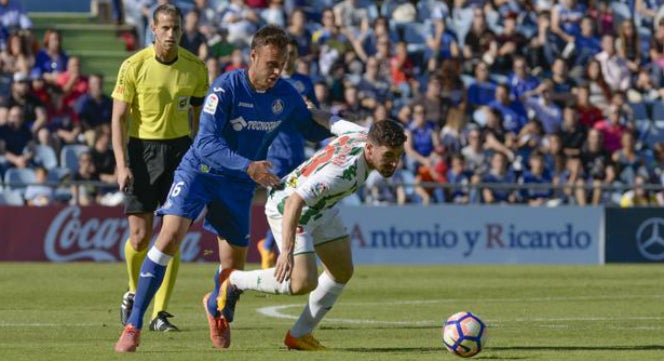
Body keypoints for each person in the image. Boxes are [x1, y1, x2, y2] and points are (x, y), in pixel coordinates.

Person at [113, 24, 331, 353]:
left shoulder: (285, 94)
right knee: (169, 236)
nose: (277, 71)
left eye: (282, 64)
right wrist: (248, 165)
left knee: (233, 267)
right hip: (200, 170)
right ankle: (134, 324)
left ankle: (217, 309)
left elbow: (310, 129)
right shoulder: (226, 87)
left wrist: (348, 127)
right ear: (253, 57)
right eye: (271, 63)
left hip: (239, 184)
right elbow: (206, 142)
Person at [218, 117, 406, 350]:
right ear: (369, 148)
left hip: (321, 207)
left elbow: (330, 119)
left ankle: (299, 335)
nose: (394, 163)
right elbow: (294, 202)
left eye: (398, 156)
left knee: (342, 271)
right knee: (302, 282)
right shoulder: (340, 173)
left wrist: (304, 109)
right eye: (388, 156)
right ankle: (234, 280)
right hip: (290, 208)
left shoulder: (360, 133)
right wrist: (285, 252)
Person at [110, 3, 208, 335]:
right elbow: (118, 118)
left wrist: (200, 159)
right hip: (141, 151)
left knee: (171, 237)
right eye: (165, 28)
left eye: (176, 28)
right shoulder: (133, 65)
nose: (171, 34)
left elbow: (200, 119)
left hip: (181, 152)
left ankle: (160, 312)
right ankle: (133, 291)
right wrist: (122, 164)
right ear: (153, 29)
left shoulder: (195, 68)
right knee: (139, 238)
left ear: (182, 30)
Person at [257, 38, 319, 269]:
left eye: (293, 53)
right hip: (276, 152)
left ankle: (270, 245)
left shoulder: (304, 81)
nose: (289, 58)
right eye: (287, 54)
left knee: (295, 203)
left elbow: (314, 111)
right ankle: (275, 248)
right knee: (282, 203)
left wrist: (309, 106)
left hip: (297, 150)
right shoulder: (273, 81)